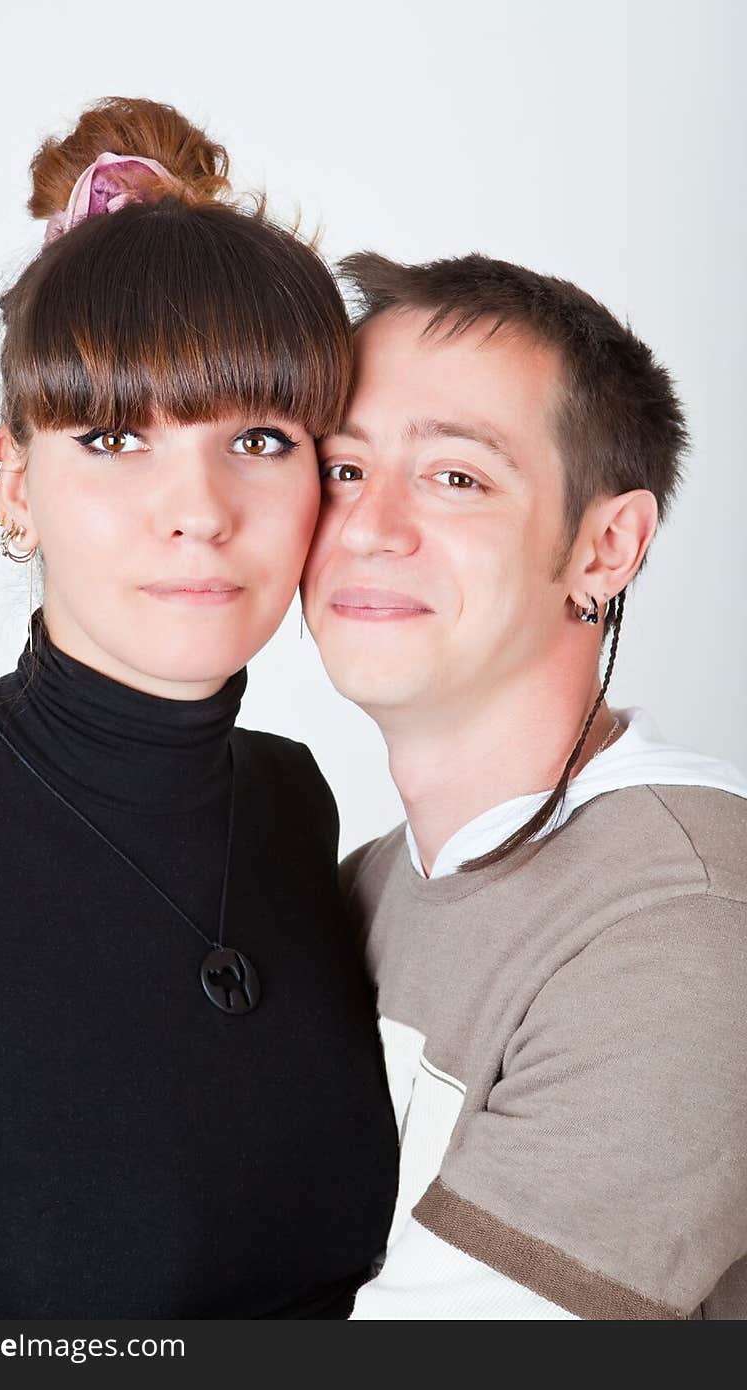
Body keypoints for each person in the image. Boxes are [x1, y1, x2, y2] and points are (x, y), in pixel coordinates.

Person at [0, 97, 398, 1318]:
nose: (199, 508)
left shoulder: (289, 809)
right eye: (112, 439)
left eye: (260, 437)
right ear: (16, 482)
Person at [302, 251, 747, 1320]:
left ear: (605, 546)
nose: (368, 527)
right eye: (344, 469)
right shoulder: (355, 885)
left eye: (455, 477)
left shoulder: (681, 926)